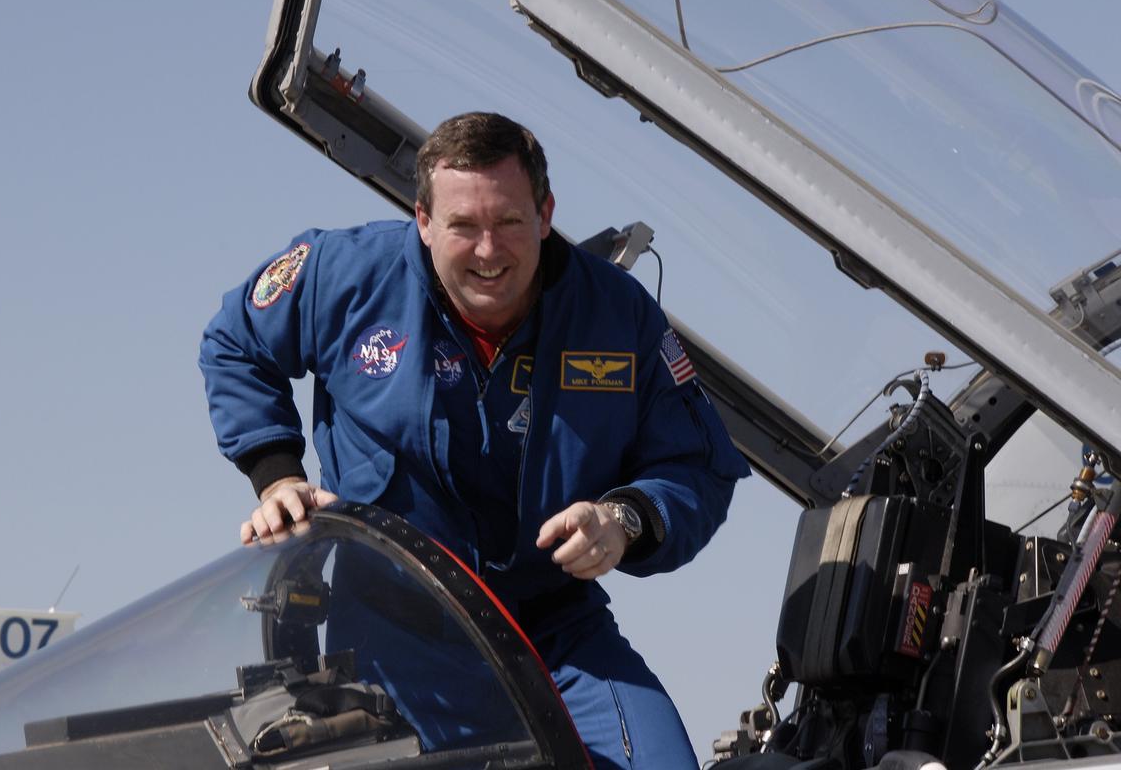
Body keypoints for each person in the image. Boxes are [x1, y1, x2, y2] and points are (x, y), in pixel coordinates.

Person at [200, 111, 749, 768]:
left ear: (545, 215)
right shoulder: (345, 277)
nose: (489, 252)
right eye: (463, 226)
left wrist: (624, 518)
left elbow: (696, 463)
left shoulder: (617, 314)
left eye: (510, 223)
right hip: (388, 636)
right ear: (425, 220)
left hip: (552, 632)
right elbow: (236, 342)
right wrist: (278, 475)